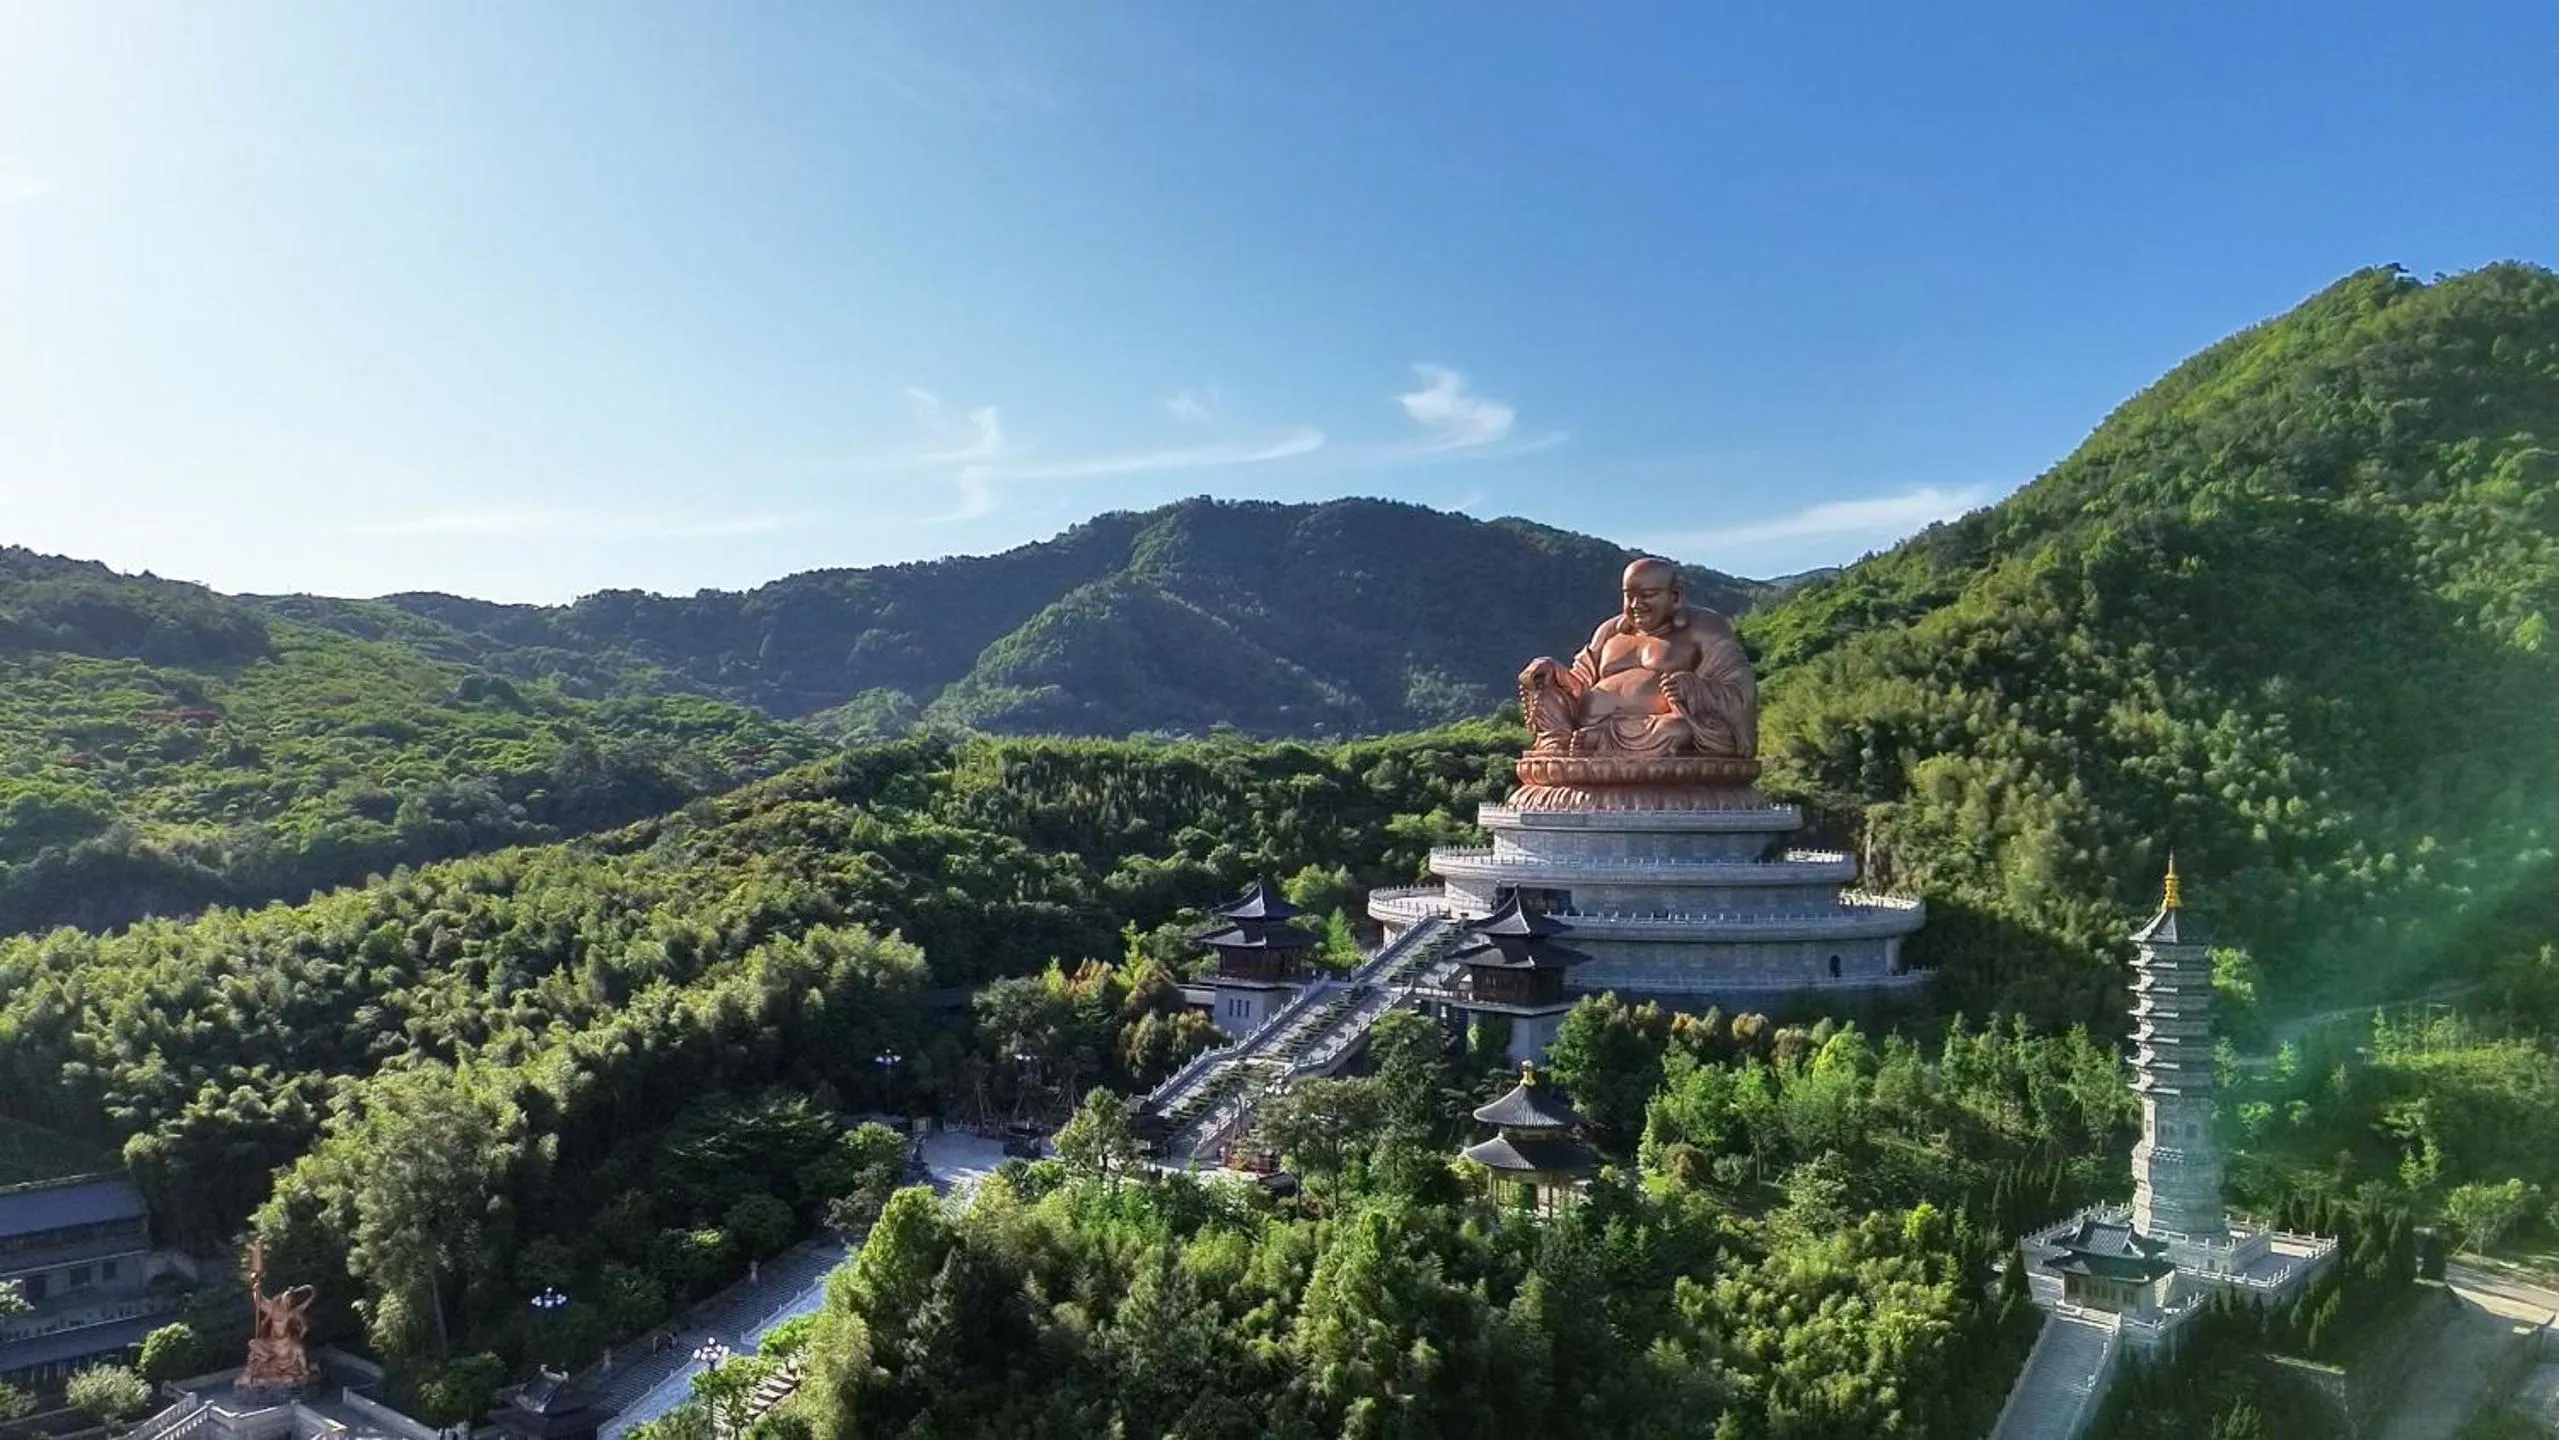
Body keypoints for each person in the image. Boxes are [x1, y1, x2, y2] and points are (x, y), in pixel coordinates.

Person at [1517, 557, 1757, 758]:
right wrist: (1554, 671)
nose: (1635, 605)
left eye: (1647, 595)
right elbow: (1579, 683)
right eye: (1629, 596)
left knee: (1678, 731)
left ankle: (1600, 742)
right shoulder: (1610, 631)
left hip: (1658, 729)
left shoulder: (1703, 628)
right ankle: (1559, 741)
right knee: (1545, 685)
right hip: (1587, 722)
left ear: (1675, 596)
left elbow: (1740, 691)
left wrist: (1691, 687)